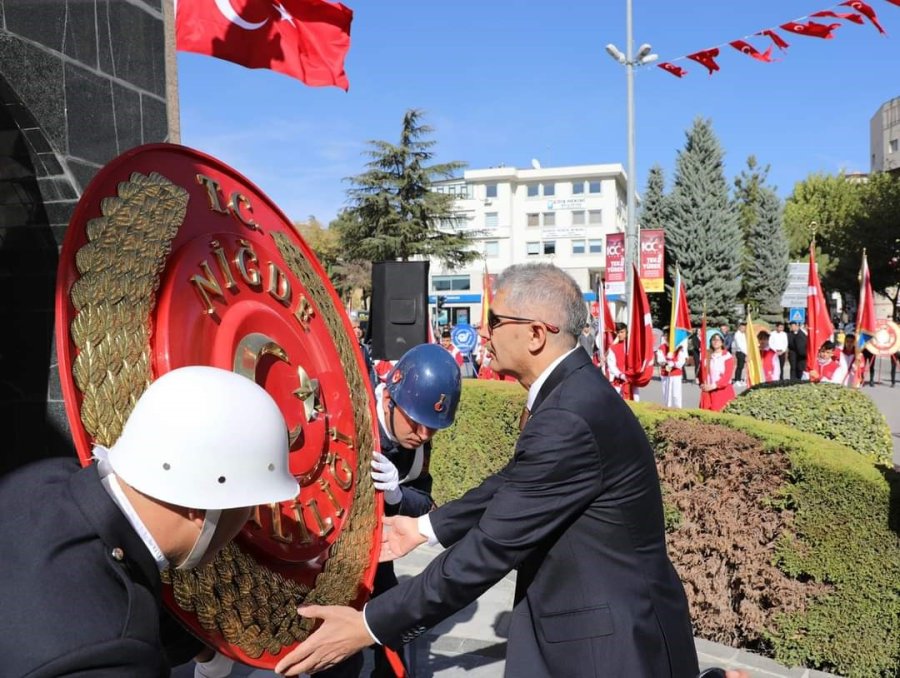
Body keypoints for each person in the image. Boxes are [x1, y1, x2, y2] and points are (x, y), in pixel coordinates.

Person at [275, 263, 699, 678]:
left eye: (494, 320)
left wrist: (369, 624)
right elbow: (515, 481)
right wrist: (424, 528)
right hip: (592, 628)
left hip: (607, 648)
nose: (481, 332)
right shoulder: (569, 392)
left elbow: (490, 549)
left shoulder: (570, 414)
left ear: (535, 334)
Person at [0, 366, 298, 677]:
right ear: (202, 506)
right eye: (249, 506)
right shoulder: (117, 651)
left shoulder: (40, 479)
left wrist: (201, 645)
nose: (250, 520)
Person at [321, 343, 462, 678]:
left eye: (432, 427)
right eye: (416, 424)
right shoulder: (351, 408)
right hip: (326, 549)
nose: (425, 434)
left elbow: (423, 498)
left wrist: (396, 494)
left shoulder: (419, 436)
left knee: (394, 627)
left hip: (374, 550)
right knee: (339, 658)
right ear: (388, 401)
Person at [699, 331, 736, 411]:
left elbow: (727, 377)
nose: (715, 342)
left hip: (722, 392)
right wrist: (701, 383)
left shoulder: (727, 357)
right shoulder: (707, 355)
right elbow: (702, 372)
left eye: (718, 340)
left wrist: (713, 386)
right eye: (713, 340)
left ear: (722, 342)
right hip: (708, 391)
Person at [657, 334, 687, 409]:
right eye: (665, 336)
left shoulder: (679, 347)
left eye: (669, 335)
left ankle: (678, 411)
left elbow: (681, 362)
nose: (667, 338)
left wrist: (673, 363)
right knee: (667, 394)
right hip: (665, 374)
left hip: (676, 374)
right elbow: (660, 360)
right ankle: (667, 409)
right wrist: (667, 360)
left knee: (676, 395)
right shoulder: (662, 347)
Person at [606, 322, 631, 399]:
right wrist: (621, 375)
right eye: (618, 332)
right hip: (618, 383)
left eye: (622, 332)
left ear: (626, 332)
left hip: (631, 384)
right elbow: (611, 366)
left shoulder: (631, 347)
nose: (620, 334)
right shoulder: (613, 348)